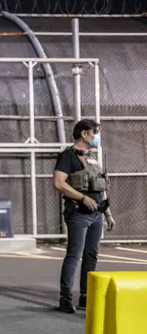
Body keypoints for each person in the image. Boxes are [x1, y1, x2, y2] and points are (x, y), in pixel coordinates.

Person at [53, 119, 115, 313]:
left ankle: (85, 297)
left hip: (96, 214)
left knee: (91, 254)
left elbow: (101, 188)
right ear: (84, 134)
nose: (96, 137)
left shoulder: (93, 158)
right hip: (78, 213)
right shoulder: (68, 156)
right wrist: (82, 198)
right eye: (93, 133)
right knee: (74, 254)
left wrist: (108, 214)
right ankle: (65, 298)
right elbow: (59, 183)